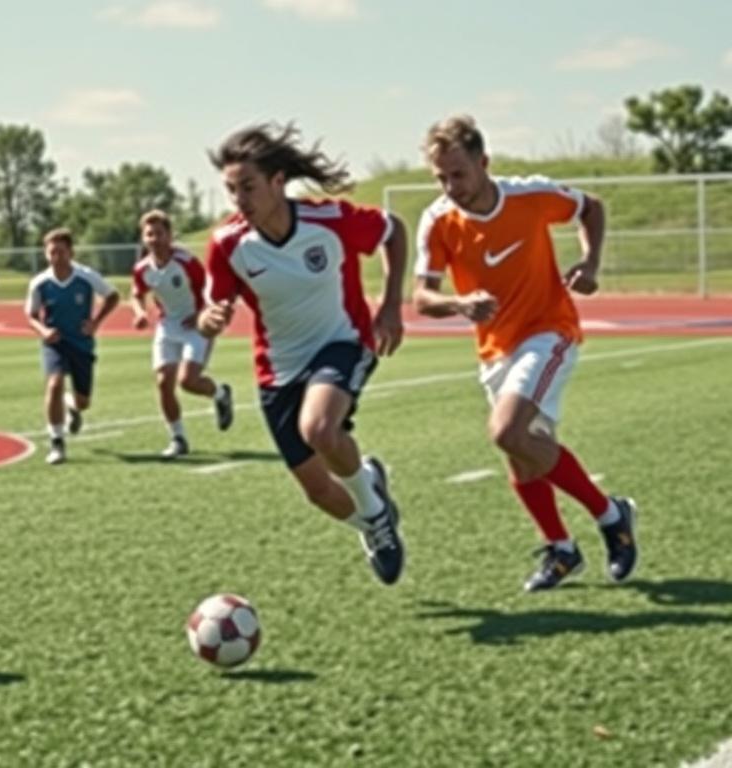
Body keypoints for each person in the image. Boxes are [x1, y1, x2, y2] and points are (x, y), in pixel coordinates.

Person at [413, 114, 637, 592]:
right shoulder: (437, 222)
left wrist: (591, 263)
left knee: (507, 431)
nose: (451, 187)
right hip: (494, 348)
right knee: (522, 456)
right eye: (440, 177)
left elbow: (591, 208)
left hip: (548, 331)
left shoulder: (529, 196)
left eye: (459, 174)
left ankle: (610, 515)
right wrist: (457, 303)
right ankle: (561, 548)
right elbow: (421, 298)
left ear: (483, 163)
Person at [198, 122, 408, 586]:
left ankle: (375, 519)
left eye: (248, 187)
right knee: (320, 493)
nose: (240, 200)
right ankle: (373, 510)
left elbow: (394, 232)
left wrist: (391, 305)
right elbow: (215, 304)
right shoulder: (227, 244)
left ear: (278, 182)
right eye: (232, 191)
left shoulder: (329, 220)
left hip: (343, 342)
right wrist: (208, 320)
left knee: (318, 428)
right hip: (278, 370)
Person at [131, 209, 234, 458]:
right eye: (149, 234)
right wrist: (139, 312)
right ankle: (178, 439)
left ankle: (220, 394)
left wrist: (201, 313)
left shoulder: (186, 261)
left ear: (169, 235)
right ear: (143, 238)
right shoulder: (143, 268)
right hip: (167, 326)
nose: (154, 239)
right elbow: (136, 293)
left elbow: (209, 290)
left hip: (196, 325)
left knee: (188, 381)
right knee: (163, 383)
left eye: (159, 233)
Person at [25, 227, 120, 465]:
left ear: (71, 252)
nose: (56, 256)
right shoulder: (40, 283)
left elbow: (113, 296)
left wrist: (96, 322)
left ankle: (73, 407)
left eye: (61, 251)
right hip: (55, 344)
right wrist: (44, 331)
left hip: (81, 345)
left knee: (83, 401)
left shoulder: (86, 276)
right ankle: (57, 442)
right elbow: (31, 314)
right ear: (46, 254)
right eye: (52, 252)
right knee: (54, 384)